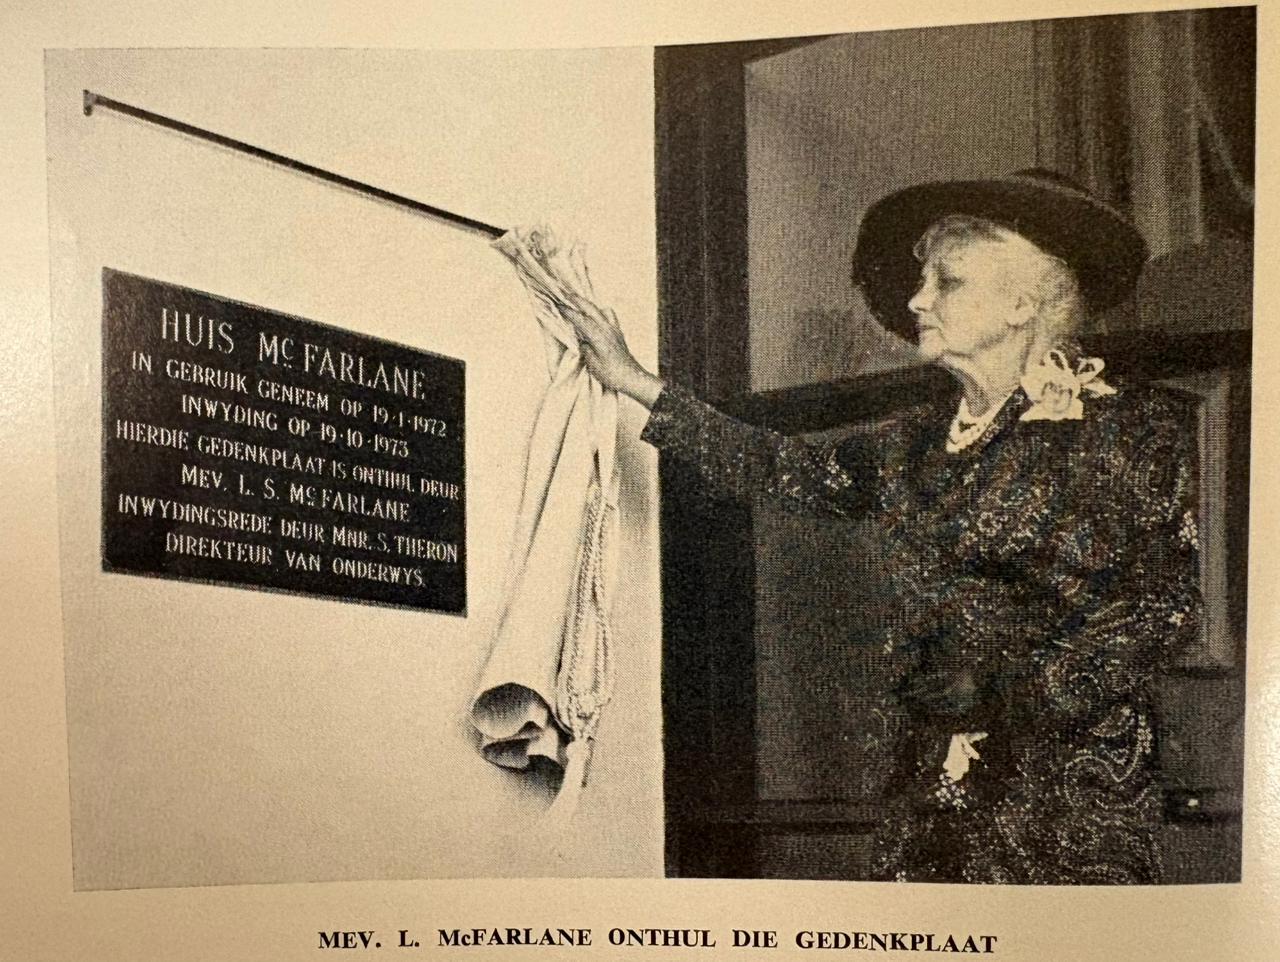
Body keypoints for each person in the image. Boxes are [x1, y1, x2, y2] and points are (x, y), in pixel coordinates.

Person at [558, 169, 1202, 885]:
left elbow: (1162, 610)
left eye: (947, 282)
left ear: (1022, 303)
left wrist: (1008, 693)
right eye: (923, 282)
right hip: (929, 789)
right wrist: (634, 381)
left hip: (1067, 799)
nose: (919, 300)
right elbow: (784, 470)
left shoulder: (1126, 428)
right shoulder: (917, 442)